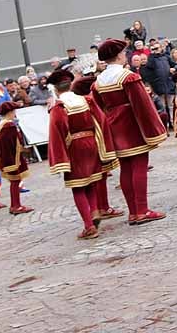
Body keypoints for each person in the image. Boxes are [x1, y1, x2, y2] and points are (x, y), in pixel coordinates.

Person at [92, 38, 166, 225]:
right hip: (132, 125)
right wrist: (154, 129)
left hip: (113, 126)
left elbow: (99, 107)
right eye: (124, 53)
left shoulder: (98, 82)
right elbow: (143, 105)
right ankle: (142, 210)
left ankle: (133, 212)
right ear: (118, 56)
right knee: (140, 166)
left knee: (125, 168)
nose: (126, 55)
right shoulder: (128, 77)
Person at [45, 68, 120, 239]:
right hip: (91, 142)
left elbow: (57, 131)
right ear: (70, 84)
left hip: (74, 147)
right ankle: (94, 213)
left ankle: (88, 227)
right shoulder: (85, 100)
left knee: (78, 187)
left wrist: (59, 158)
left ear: (56, 89)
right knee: (91, 182)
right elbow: (100, 120)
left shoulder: (59, 107)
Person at [0, 102, 33, 215]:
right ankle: (16, 205)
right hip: (11, 158)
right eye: (14, 111)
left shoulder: (1, 124)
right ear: (10, 112)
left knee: (15, 181)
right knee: (15, 181)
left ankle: (15, 204)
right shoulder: (8, 125)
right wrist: (15, 159)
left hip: (6, 156)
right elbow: (10, 145)